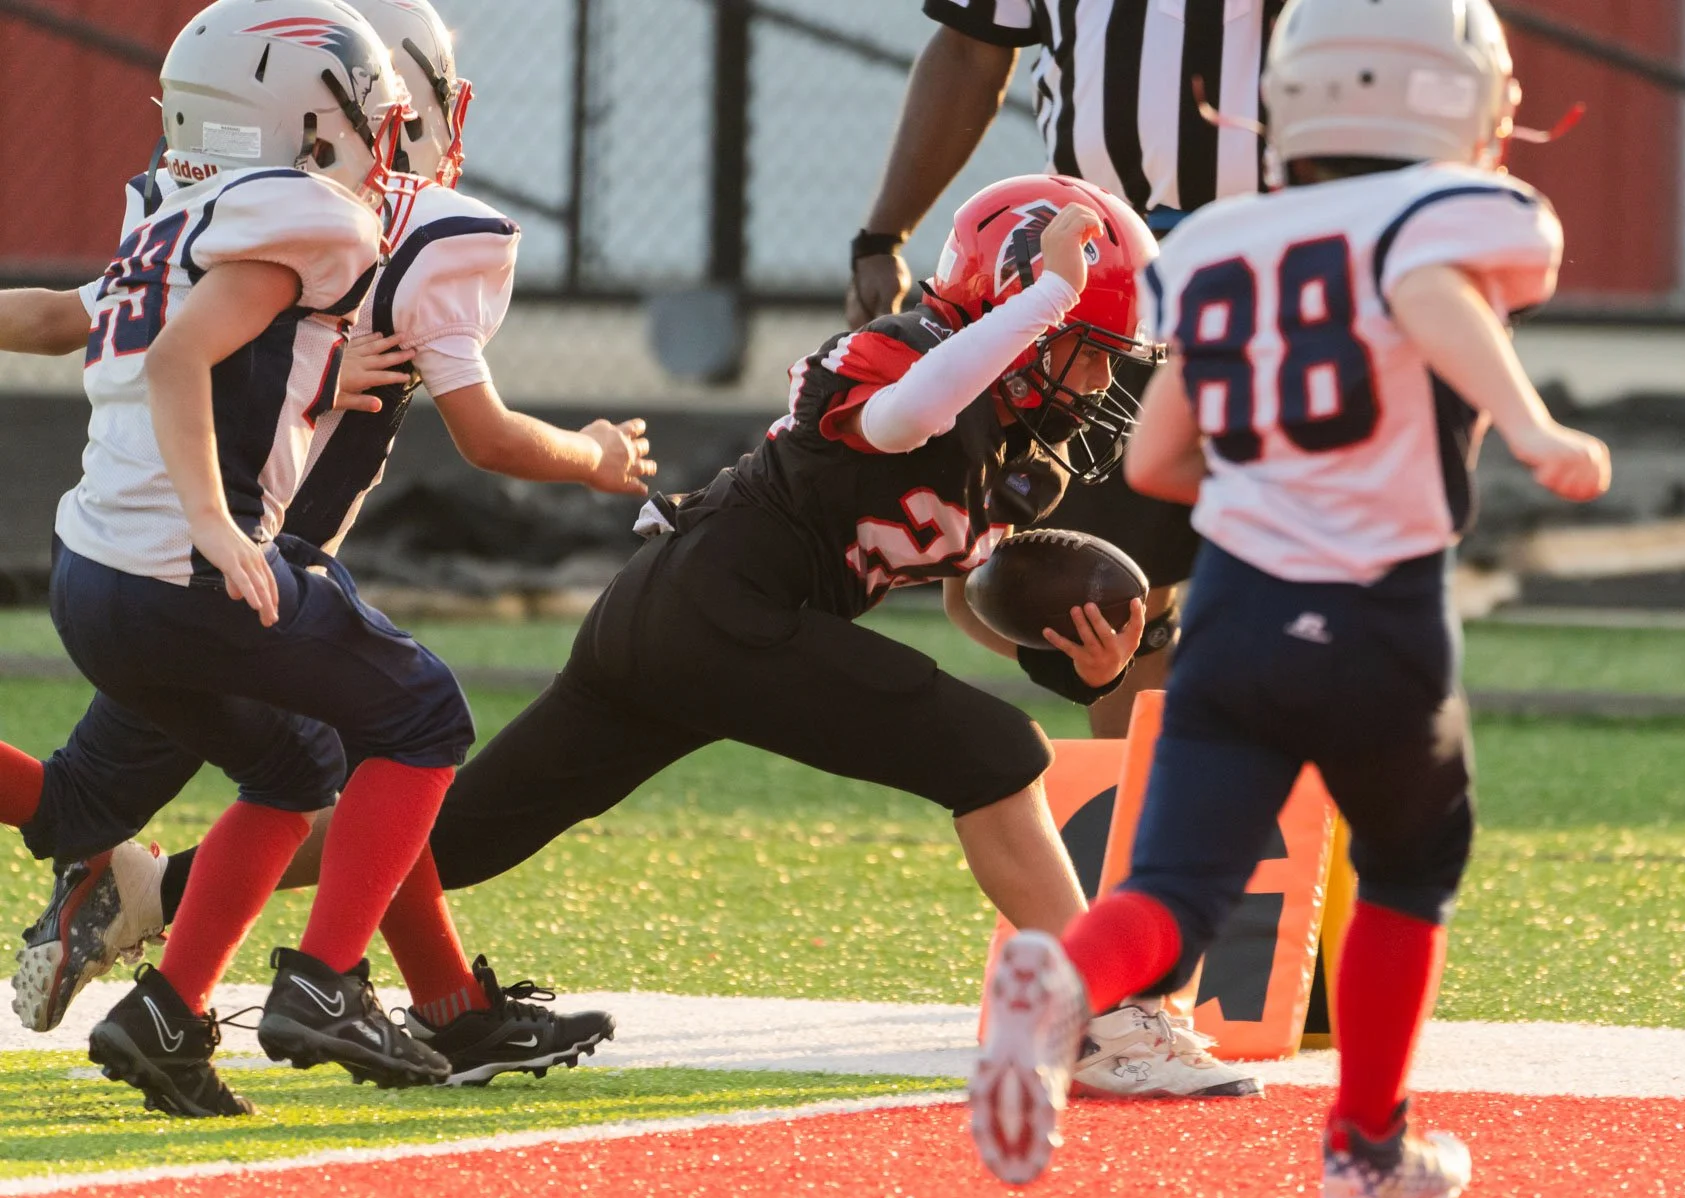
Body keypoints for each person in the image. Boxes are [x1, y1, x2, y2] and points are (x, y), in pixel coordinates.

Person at [146, 173, 1260, 1103]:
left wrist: (1065, 657)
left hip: (692, 623)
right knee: (994, 754)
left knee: (460, 837)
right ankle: (1102, 1016)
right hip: (719, 607)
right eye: (1090, 345)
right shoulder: (899, 351)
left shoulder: (1026, 447)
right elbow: (902, 420)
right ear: (1022, 310)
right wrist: (1046, 301)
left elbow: (958, 582)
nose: (1106, 378)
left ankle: (151, 893)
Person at [969, 0, 1613, 1193]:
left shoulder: (1222, 246)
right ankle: (1368, 1149)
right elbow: (1426, 285)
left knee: (1171, 892)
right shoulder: (1451, 220)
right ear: (1459, 96)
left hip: (1232, 619)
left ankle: (1064, 982)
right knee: (1412, 865)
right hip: (1379, 615)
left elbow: (1160, 460)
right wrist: (1528, 422)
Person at [0, 0, 643, 1088]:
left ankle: (221, 1009)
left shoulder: (177, 204)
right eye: (379, 102)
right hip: (234, 567)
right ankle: (328, 988)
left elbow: (87, 317)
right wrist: (591, 457)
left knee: (303, 763)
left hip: (100, 561)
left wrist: (296, 373)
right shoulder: (373, 222)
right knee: (414, 721)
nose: (397, 125)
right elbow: (199, 359)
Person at [849, 0, 1280, 738]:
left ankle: (1316, 836)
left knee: (1320, 583)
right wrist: (883, 233)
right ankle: (1139, 833)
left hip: (1298, 267)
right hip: (1109, 276)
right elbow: (970, 49)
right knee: (1102, 594)